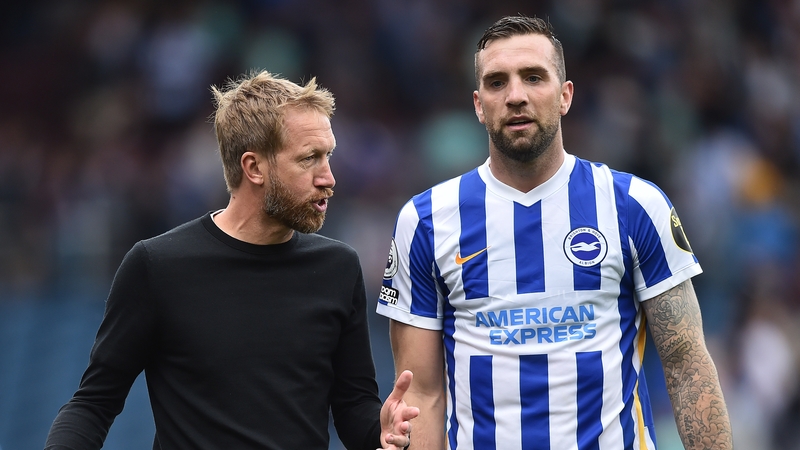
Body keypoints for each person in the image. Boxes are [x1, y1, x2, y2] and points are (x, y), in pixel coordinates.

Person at [376, 15, 732, 450]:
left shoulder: (635, 206)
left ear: (565, 96)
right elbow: (422, 393)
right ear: (478, 104)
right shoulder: (425, 221)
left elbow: (687, 366)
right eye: (497, 83)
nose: (516, 96)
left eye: (533, 77)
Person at [45, 70, 419, 450]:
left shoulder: (339, 268)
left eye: (328, 156)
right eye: (309, 159)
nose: (329, 178)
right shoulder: (157, 265)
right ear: (254, 168)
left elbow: (354, 409)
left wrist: (381, 430)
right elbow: (94, 403)